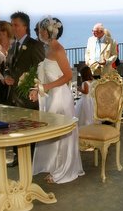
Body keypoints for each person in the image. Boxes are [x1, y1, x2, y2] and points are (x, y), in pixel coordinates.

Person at [31, 17, 84, 184]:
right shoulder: (48, 48)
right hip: (52, 95)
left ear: (49, 32)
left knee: (62, 135)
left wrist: (46, 87)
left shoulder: (59, 50)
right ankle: (54, 166)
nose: (39, 32)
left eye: (41, 29)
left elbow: (68, 76)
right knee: (53, 135)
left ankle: (64, 170)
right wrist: (39, 87)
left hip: (60, 96)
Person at [3, 12, 45, 167]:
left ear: (25, 26)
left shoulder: (35, 45)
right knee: (14, 126)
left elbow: (41, 69)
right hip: (12, 95)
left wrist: (28, 85)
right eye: (12, 24)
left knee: (29, 128)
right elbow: (7, 66)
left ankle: (32, 159)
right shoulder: (13, 44)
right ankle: (17, 156)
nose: (12, 27)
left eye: (16, 25)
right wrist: (6, 75)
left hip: (28, 96)